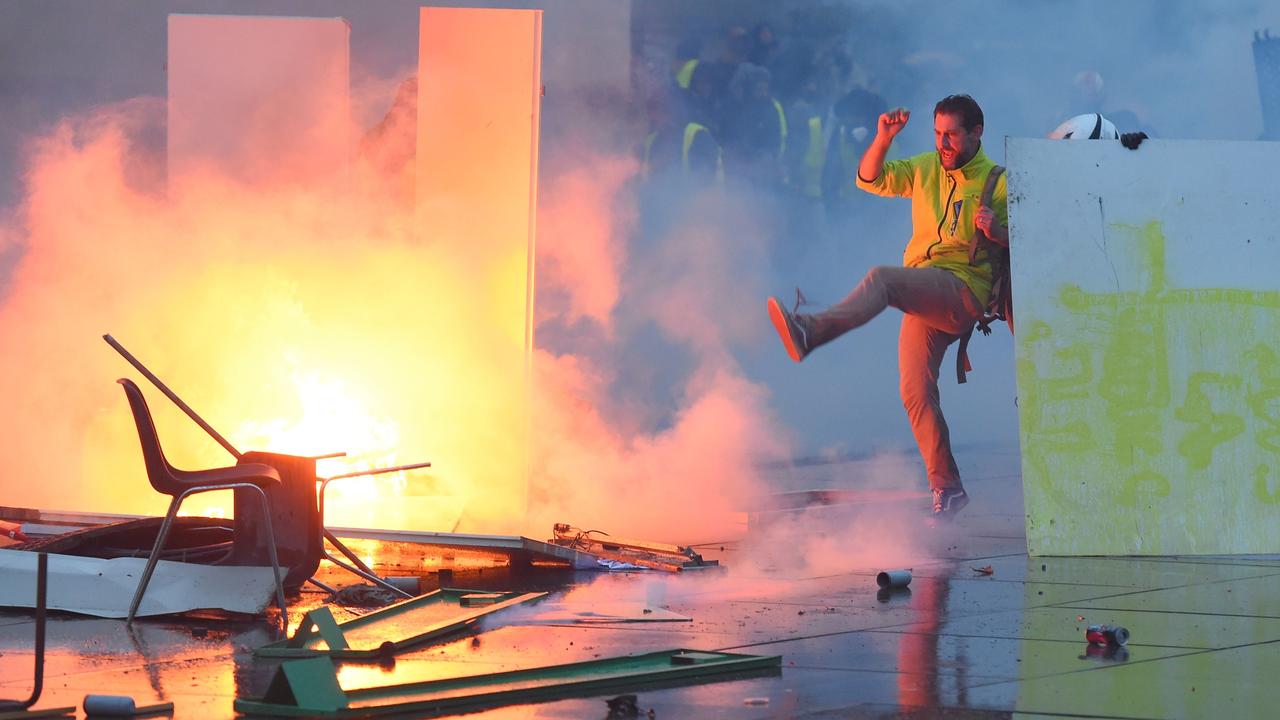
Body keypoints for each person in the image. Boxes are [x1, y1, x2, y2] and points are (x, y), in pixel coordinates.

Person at [767, 94, 1007, 521]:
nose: (943, 144)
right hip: (925, 291)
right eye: (937, 134)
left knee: (883, 279)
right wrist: (882, 139)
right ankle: (947, 489)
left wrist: (1001, 231)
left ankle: (810, 331)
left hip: (963, 291)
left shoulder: (999, 181)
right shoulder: (926, 167)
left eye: (951, 135)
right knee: (915, 391)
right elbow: (870, 179)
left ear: (977, 132)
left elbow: (1042, 240)